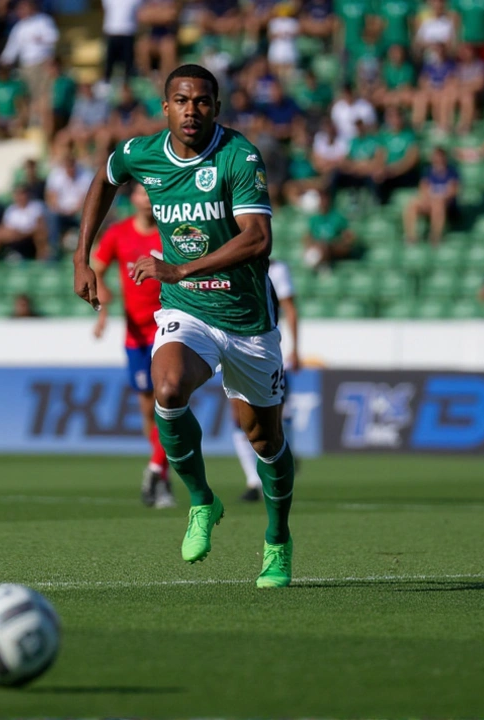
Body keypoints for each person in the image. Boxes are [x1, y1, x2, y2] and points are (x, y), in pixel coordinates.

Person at [73, 64, 296, 588]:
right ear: (165, 107)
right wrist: (81, 257)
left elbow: (258, 239)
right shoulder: (140, 153)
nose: (191, 110)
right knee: (167, 389)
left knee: (264, 439)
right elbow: (104, 180)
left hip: (246, 321)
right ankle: (201, 500)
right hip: (186, 309)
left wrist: (180, 267)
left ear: (215, 108)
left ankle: (278, 539)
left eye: (201, 101)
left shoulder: (238, 156)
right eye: (181, 100)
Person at [90, 181, 174, 509]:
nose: (148, 198)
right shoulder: (118, 233)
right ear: (133, 198)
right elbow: (96, 268)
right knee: (149, 411)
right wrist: (102, 299)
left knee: (167, 402)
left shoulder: (170, 232)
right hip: (134, 336)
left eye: (153, 192)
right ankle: (160, 472)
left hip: (168, 330)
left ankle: (157, 471)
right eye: (142, 192)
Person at [234, 258, 297, 503]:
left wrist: (296, 348)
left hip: (264, 347)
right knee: (236, 416)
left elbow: (290, 307)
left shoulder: (277, 269)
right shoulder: (223, 262)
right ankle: (253, 480)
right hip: (232, 345)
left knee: (275, 415)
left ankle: (285, 458)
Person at [0, 185, 47, 270]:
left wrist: (22, 233)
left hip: (28, 237)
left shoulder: (36, 207)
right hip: (12, 236)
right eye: (17, 194)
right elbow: (5, 227)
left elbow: (40, 227)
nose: (20, 197)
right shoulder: (11, 209)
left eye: (22, 194)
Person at [404, 146, 459, 245]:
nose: (437, 159)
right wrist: (428, 199)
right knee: (412, 204)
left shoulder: (452, 172)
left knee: (438, 204)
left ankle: (435, 237)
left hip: (446, 204)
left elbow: (452, 192)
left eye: (439, 157)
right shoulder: (428, 172)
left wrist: (438, 198)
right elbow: (423, 189)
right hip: (431, 201)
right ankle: (411, 237)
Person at [45, 152, 93, 253]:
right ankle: (53, 249)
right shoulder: (55, 175)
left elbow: (85, 198)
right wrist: (61, 210)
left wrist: (75, 209)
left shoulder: (85, 175)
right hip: (61, 212)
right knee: (52, 216)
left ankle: (86, 250)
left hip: (79, 212)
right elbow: (51, 198)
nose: (70, 169)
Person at [302, 191, 355, 270]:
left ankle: (321, 264)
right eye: (320, 199)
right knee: (318, 247)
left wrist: (340, 243)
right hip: (319, 247)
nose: (322, 202)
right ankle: (320, 263)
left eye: (324, 199)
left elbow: (349, 237)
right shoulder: (314, 219)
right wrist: (312, 244)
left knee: (324, 247)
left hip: (334, 247)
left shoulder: (338, 217)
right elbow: (308, 237)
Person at [102, 0, 141, 83]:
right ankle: (106, 83)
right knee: (109, 64)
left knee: (128, 65)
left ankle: (128, 86)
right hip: (111, 32)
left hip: (128, 33)